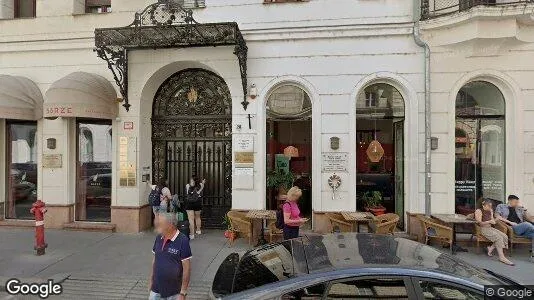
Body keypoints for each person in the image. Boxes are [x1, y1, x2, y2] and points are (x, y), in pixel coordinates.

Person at [149, 212, 192, 300]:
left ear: (170, 225)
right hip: (156, 288)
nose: (157, 226)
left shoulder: (183, 240)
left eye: (160, 224)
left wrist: (183, 292)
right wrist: (151, 280)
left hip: (174, 292)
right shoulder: (158, 238)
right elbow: (155, 260)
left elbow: (186, 268)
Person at [475, 199, 513, 266]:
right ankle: (502, 257)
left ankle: (490, 248)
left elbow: (493, 222)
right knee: (499, 238)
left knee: (504, 236)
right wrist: (489, 222)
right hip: (483, 229)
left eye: (491, 206)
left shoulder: (490, 210)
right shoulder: (479, 211)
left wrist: (495, 219)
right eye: (489, 206)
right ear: (484, 205)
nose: (490, 207)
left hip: (490, 228)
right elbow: (479, 222)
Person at [185, 176, 206, 240]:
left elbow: (187, 194)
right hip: (197, 203)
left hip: (189, 203)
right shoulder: (200, 185)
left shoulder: (187, 185)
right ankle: (198, 230)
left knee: (191, 219)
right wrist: (203, 183)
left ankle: (192, 234)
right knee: (197, 217)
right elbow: (201, 188)